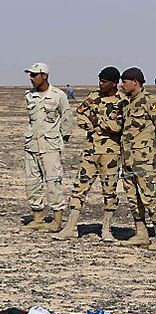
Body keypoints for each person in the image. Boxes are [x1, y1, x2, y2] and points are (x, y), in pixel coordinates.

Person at [56, 66, 126, 242]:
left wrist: (98, 121)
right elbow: (81, 116)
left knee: (109, 191)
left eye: (104, 81)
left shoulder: (122, 101)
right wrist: (94, 125)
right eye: (99, 81)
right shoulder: (93, 96)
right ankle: (71, 228)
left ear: (114, 83)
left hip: (110, 153)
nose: (100, 84)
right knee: (79, 188)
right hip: (90, 150)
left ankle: (106, 229)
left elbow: (118, 127)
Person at [23, 63, 73, 232]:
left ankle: (57, 220)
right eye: (30, 75)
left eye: (34, 75)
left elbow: (66, 118)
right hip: (31, 145)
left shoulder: (58, 96)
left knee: (53, 183)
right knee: (33, 183)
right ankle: (38, 217)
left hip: (50, 146)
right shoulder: (29, 96)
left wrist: (61, 139)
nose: (31, 78)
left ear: (44, 75)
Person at [117, 67, 156, 248]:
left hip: (145, 159)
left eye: (124, 81)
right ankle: (141, 233)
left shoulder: (149, 101)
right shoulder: (127, 104)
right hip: (128, 159)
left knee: (150, 196)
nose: (121, 85)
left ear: (135, 82)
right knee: (133, 198)